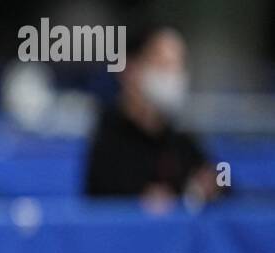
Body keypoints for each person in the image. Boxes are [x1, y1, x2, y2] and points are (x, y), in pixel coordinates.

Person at [83, 24, 220, 204]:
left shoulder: (179, 138)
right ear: (130, 69)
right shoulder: (108, 139)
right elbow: (106, 203)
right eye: (162, 64)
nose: (173, 75)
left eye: (179, 65)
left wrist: (213, 186)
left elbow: (220, 180)